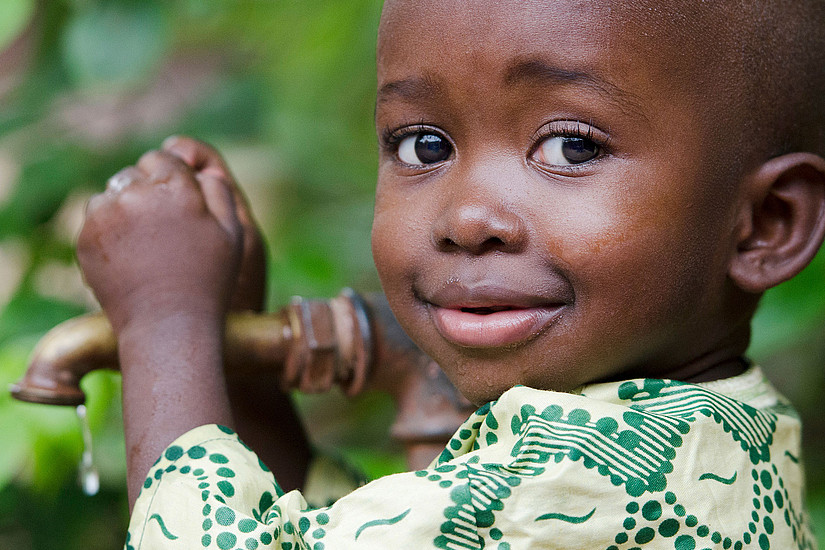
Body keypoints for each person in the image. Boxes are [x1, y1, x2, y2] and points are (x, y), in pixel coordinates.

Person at [76, 0, 825, 548]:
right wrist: (239, 380)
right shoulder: (708, 433)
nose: (467, 219)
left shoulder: (585, 473)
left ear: (766, 224)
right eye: (423, 146)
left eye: (569, 147)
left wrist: (165, 324)